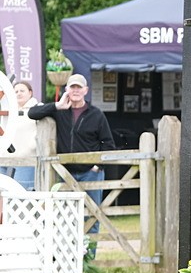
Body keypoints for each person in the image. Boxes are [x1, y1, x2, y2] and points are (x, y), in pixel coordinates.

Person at [28, 74, 114, 207]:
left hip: (90, 173)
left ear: (86, 90)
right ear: (66, 89)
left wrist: (97, 167)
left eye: (79, 88)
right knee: (65, 213)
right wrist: (57, 105)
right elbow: (32, 113)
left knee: (92, 212)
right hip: (64, 172)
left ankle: (90, 229)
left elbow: (108, 143)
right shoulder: (59, 111)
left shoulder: (96, 114)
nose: (76, 91)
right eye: (72, 87)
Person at [1, 80, 40, 189]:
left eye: (22, 90)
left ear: (30, 93)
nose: (18, 93)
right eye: (16, 91)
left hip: (26, 159)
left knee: (21, 194)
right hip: (4, 158)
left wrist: (33, 145)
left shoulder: (38, 108)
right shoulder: (6, 110)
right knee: (2, 195)